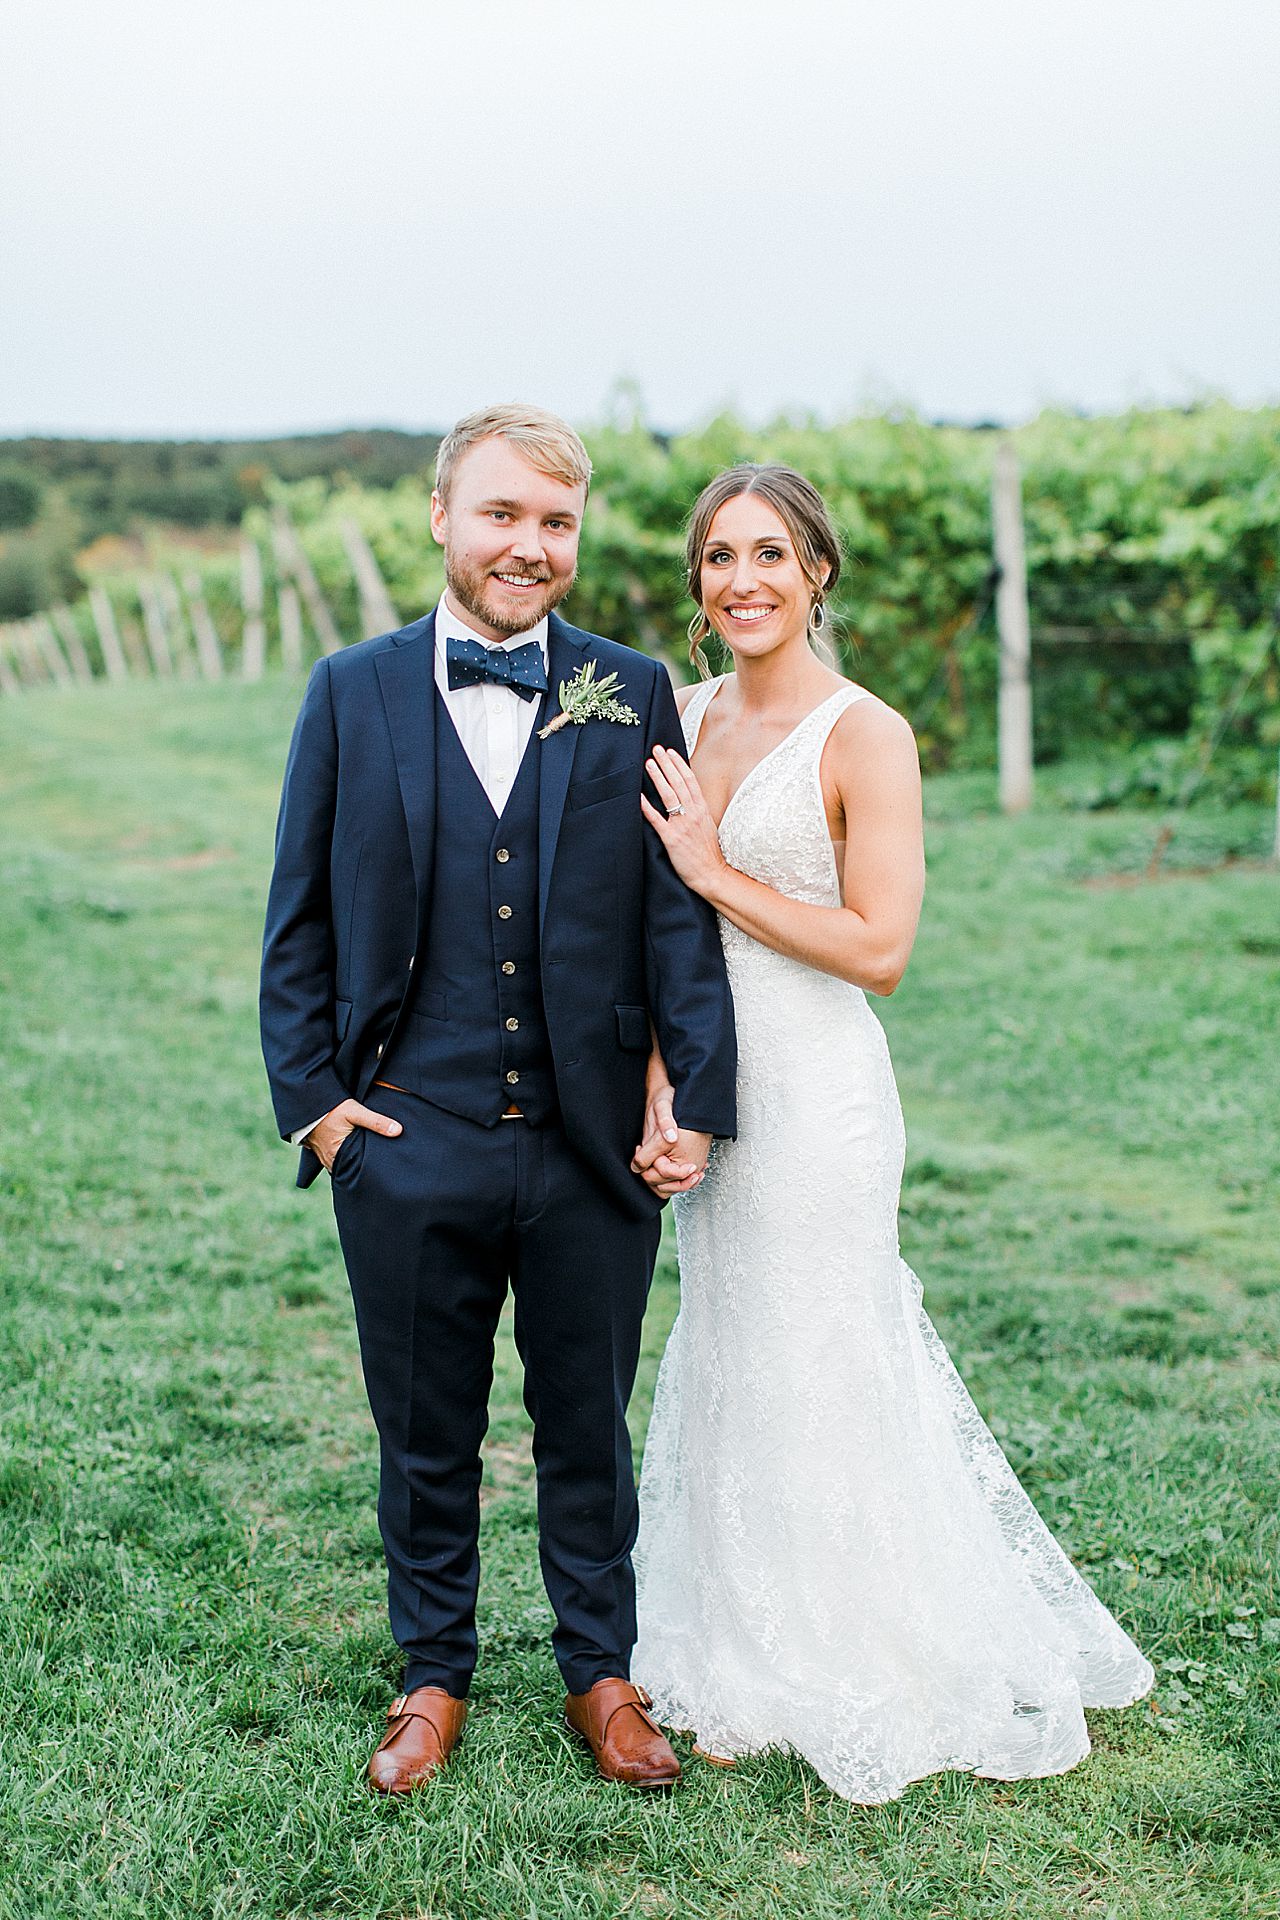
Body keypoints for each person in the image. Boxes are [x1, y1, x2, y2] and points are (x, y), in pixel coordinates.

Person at [630, 463, 1153, 1802]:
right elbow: (655, 939)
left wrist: (713, 870)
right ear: (696, 583)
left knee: (821, 1345)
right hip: (709, 1087)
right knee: (734, 1342)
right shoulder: (676, 717)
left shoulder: (868, 734)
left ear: (816, 571)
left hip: (818, 1096)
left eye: (768, 553)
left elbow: (882, 949)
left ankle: (852, 1651)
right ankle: (738, 1649)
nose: (740, 579)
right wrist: (662, 1093)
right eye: (716, 557)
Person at [259, 405, 736, 1794]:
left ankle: (603, 1673)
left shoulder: (629, 684)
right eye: (503, 516)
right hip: (408, 1141)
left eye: (556, 522)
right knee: (427, 1430)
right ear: (443, 520)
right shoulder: (348, 691)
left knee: (588, 1421)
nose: (530, 546)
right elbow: (296, 921)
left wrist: (689, 1095)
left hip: (594, 1152)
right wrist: (323, 1109)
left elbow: (674, 919)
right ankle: (431, 1675)